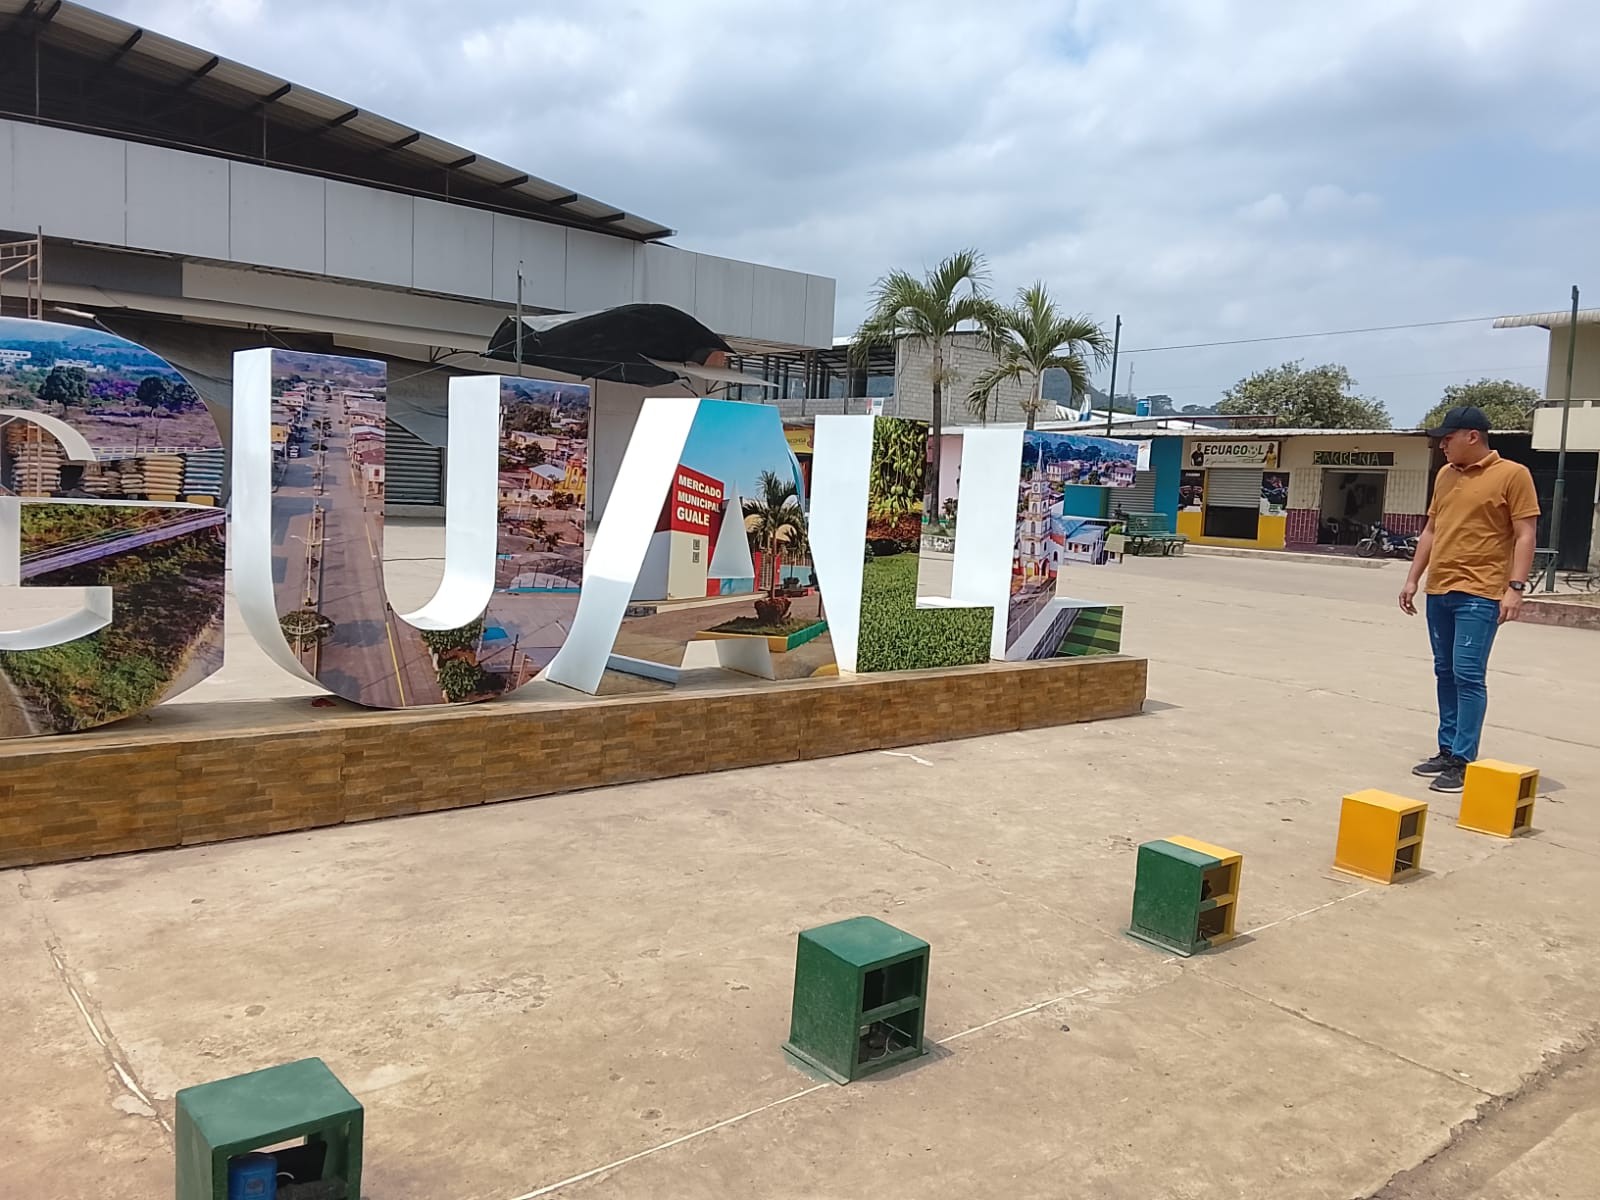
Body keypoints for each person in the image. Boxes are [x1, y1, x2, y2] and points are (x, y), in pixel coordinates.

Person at [1398, 405, 1539, 793]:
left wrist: (1516, 588)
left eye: (1448, 438)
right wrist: (1412, 579)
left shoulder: (1513, 475)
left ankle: (1463, 759)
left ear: (1472, 436)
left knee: (1468, 674)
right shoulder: (1445, 475)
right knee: (1444, 671)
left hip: (1480, 592)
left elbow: (1525, 534)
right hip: (1440, 589)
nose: (1442, 445)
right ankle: (1447, 749)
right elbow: (1431, 530)